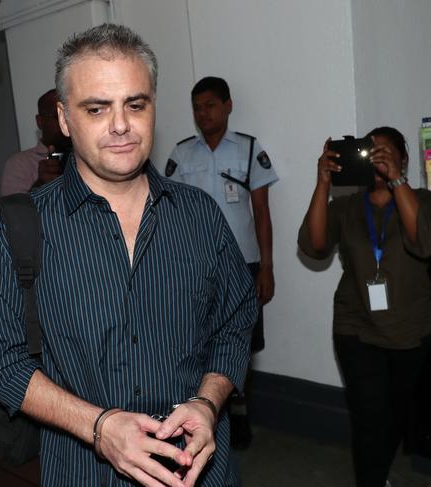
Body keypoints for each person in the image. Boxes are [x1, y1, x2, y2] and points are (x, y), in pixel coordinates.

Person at [0, 24, 257, 487]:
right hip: (85, 472)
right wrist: (98, 427)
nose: (120, 125)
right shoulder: (18, 228)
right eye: (96, 108)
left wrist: (207, 401)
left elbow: (235, 321)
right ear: (63, 119)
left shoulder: (199, 214)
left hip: (198, 473)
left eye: (135, 105)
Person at [298, 127, 431, 487]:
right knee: (369, 416)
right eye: (372, 152)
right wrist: (323, 182)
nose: (379, 159)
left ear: (403, 159)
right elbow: (314, 244)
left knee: (397, 415)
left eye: (387, 153)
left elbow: (423, 242)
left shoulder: (422, 200)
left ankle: (377, 473)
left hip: (410, 331)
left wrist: (397, 181)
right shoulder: (346, 206)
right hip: (356, 329)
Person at [165, 76, 278, 449]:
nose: (203, 114)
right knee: (201, 340)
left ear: (228, 105)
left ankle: (240, 416)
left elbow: (261, 212)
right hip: (196, 265)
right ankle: (205, 412)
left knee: (241, 342)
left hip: (243, 265)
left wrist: (266, 266)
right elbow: (168, 211)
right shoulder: (182, 154)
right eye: (197, 107)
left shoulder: (248, 150)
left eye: (210, 105)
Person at [0, 88, 72, 195]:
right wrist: (39, 185)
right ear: (40, 121)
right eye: (57, 116)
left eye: (68, 115)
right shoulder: (19, 164)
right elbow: (14, 210)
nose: (64, 122)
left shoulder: (88, 155)